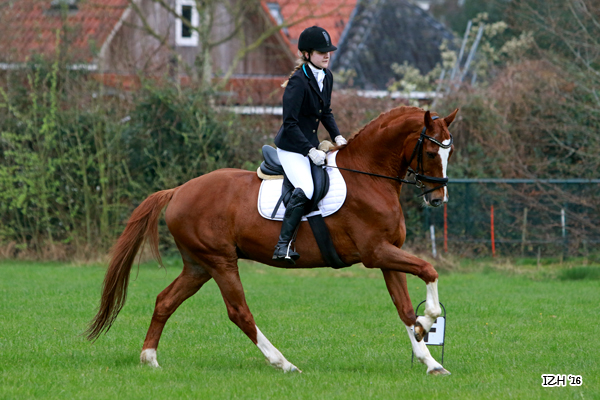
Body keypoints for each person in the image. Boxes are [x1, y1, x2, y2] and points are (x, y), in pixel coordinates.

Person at [272, 26, 347, 263]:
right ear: (306, 54)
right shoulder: (297, 82)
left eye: (329, 51)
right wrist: (309, 150)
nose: (327, 55)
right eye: (321, 52)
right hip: (292, 148)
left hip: (311, 146)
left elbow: (326, 112)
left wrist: (337, 137)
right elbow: (290, 123)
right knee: (306, 188)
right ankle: (282, 245)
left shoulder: (327, 76)